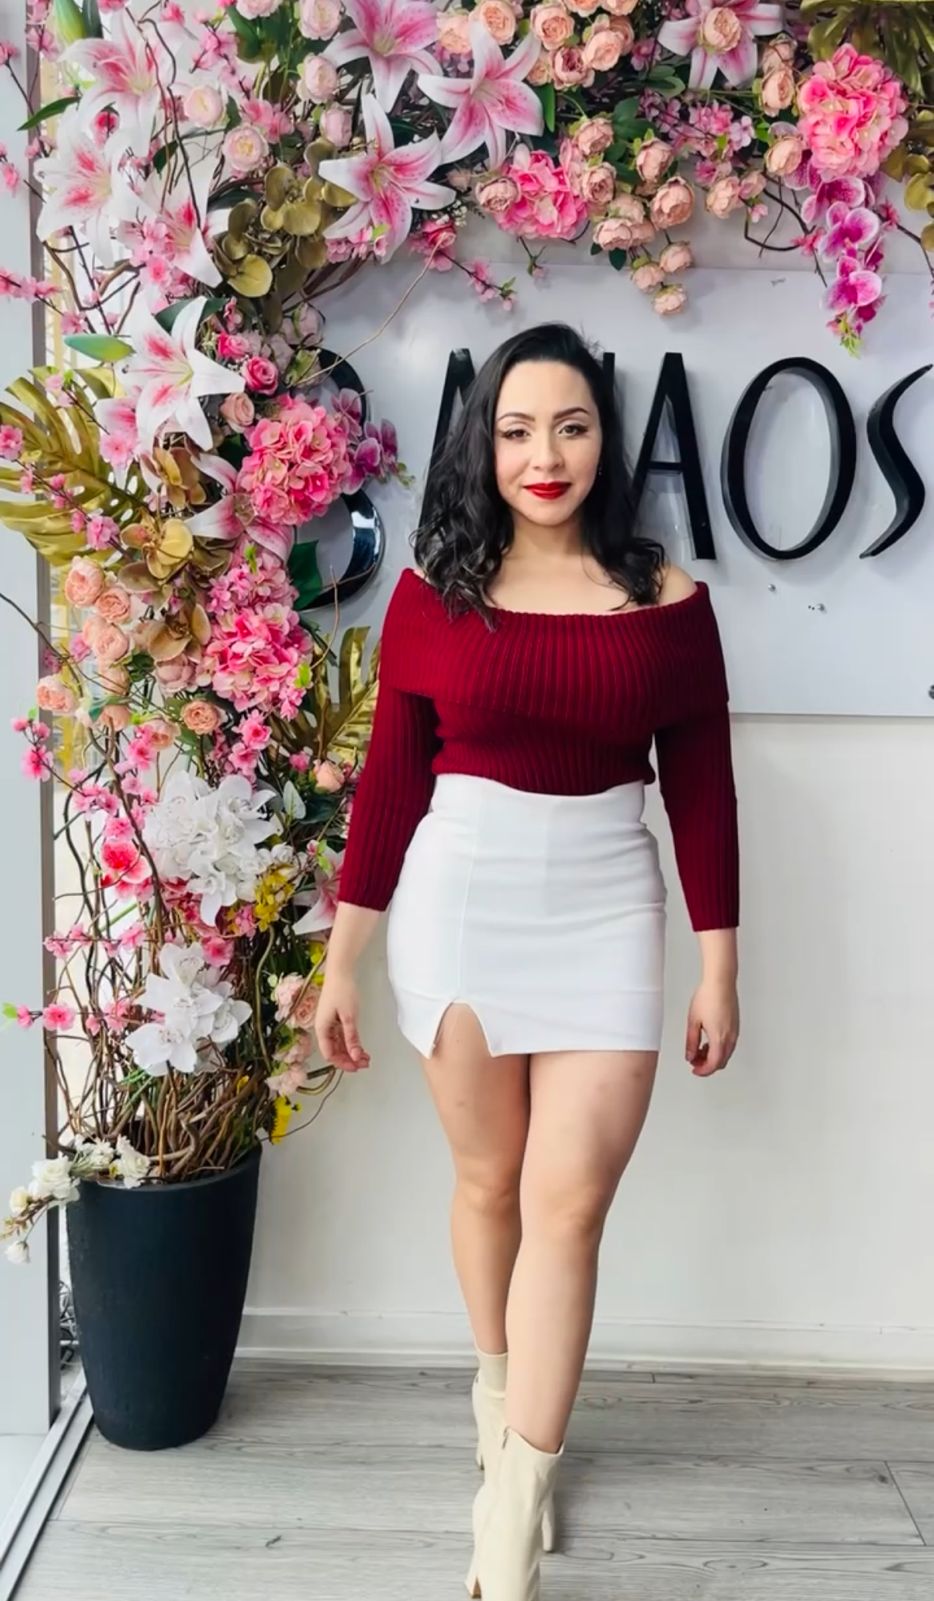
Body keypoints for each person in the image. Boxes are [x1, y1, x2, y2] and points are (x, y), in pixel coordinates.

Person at [314, 322, 740, 1601]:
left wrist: (718, 967)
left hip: (607, 910)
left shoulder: (669, 603)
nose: (542, 455)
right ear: (481, 446)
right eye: (513, 430)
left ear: (606, 439)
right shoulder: (434, 593)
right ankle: (498, 1398)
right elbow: (391, 786)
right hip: (461, 907)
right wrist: (342, 961)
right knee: (490, 1181)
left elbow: (703, 792)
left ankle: (510, 1511)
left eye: (569, 425)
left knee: (569, 1206)